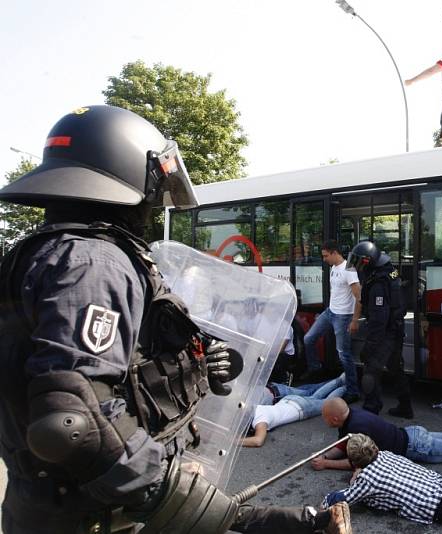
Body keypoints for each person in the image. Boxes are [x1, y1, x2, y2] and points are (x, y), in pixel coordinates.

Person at [0, 105, 350, 534]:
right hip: (95, 514)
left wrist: (199, 363)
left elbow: (116, 367)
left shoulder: (43, 254)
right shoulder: (94, 262)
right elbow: (72, 421)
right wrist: (166, 491)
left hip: (66, 505)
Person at [310, 398, 442, 469]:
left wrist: (326, 463)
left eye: (325, 418)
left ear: (335, 419)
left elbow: (356, 460)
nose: (324, 421)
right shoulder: (353, 415)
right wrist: (325, 454)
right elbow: (344, 444)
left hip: (417, 447)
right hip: (413, 434)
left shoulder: (356, 427)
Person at [346, 240, 412, 418]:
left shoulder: (377, 283)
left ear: (369, 261)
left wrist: (370, 345)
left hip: (385, 332)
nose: (358, 267)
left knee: (370, 370)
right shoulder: (389, 271)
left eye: (360, 263)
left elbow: (378, 320)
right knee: (395, 368)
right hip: (396, 328)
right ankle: (406, 407)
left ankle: (370, 408)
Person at [300, 240, 361, 404]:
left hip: (343, 317)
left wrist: (355, 320)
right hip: (330, 312)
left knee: (343, 354)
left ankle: (353, 390)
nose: (324, 259)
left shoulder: (349, 269)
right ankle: (315, 369)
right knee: (308, 339)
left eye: (326, 256)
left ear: (334, 253)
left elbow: (359, 298)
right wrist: (325, 313)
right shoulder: (333, 268)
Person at [243, 374, 346, 448]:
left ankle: (346, 387)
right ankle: (341, 379)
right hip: (288, 400)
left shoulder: (260, 420)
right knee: (316, 396)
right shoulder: (257, 408)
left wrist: (234, 442)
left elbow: (258, 441)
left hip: (301, 409)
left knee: (327, 403)